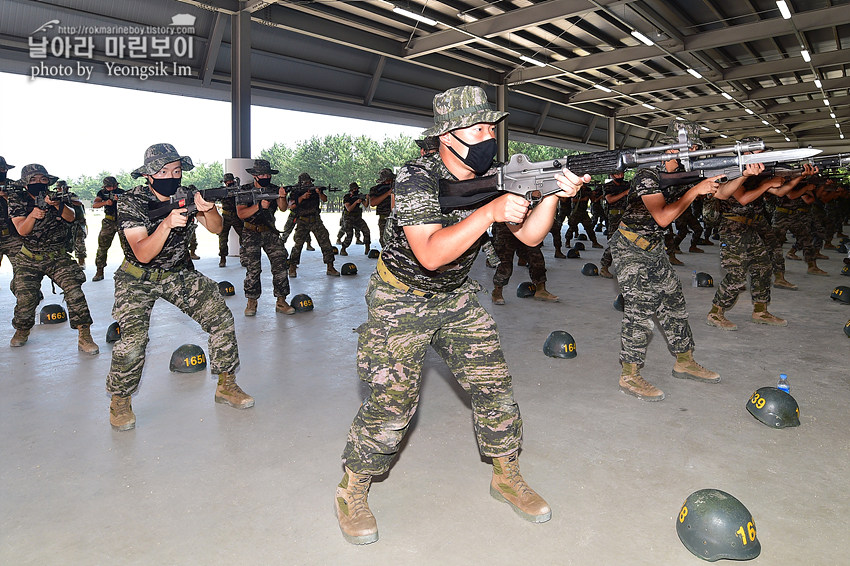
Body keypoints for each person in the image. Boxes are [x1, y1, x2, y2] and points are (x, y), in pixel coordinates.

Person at [334, 85, 588, 545]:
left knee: (495, 387)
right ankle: (352, 489)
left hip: (456, 298)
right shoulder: (415, 177)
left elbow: (530, 237)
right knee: (391, 407)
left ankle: (505, 475)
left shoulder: (495, 173)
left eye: (492, 127)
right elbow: (430, 254)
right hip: (400, 300)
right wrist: (489, 211)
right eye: (478, 128)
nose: (489, 136)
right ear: (447, 135)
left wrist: (553, 193)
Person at [106, 143, 253, 431]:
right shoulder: (131, 202)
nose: (171, 176)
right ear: (149, 175)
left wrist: (207, 209)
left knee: (221, 318)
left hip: (178, 273)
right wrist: (166, 224)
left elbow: (216, 228)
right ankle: (120, 400)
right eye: (163, 171)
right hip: (137, 277)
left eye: (176, 170)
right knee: (134, 341)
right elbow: (143, 254)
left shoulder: (186, 194)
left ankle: (226, 385)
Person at [610, 120, 723, 401]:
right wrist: (694, 192)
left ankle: (684, 361)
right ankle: (629, 374)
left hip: (654, 249)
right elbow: (662, 217)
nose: (695, 152)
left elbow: (724, 194)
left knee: (674, 301)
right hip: (629, 247)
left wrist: (740, 174)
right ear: (672, 148)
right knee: (640, 308)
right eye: (692, 147)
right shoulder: (646, 175)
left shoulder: (685, 173)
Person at [8, 164, 99, 354]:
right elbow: (22, 230)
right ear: (25, 183)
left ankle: (84, 335)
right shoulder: (18, 201)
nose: (38, 183)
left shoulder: (56, 197)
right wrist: (33, 215)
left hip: (56, 256)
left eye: (42, 179)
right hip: (29, 257)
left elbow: (71, 217)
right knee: (26, 298)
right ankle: (22, 330)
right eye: (33, 180)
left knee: (74, 291)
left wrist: (57, 205)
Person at [705, 138, 790, 330]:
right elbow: (742, 198)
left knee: (763, 267)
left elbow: (781, 192)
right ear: (745, 154)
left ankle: (760, 310)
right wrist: (766, 184)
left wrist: (798, 177)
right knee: (736, 274)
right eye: (758, 154)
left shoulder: (756, 175)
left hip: (750, 228)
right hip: (732, 229)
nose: (763, 158)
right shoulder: (730, 172)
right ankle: (716, 312)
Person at [236, 159, 295, 316]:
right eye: (262, 174)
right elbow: (241, 214)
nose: (265, 177)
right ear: (255, 176)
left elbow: (283, 209)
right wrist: (258, 206)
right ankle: (251, 302)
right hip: (250, 232)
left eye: (268, 174)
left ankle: (281, 301)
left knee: (280, 264)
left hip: (270, 231)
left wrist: (282, 197)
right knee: (253, 269)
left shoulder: (273, 189)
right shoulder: (245, 191)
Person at [491, 221, 559, 304]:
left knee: (536, 257)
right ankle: (497, 291)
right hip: (505, 225)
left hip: (525, 224)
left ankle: (541, 290)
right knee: (505, 262)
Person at [287, 172, 339, 277]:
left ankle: (330, 267)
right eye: (307, 182)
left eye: (310, 181)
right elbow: (291, 206)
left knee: (325, 242)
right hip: (302, 220)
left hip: (315, 220)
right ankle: (292, 267)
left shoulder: (315, 190)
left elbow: (325, 199)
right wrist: (302, 197)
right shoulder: (295, 191)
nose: (309, 183)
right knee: (298, 245)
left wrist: (319, 193)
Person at [91, 176, 125, 281]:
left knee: (128, 247)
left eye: (114, 186)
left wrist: (122, 200)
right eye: (109, 187)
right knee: (102, 247)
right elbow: (95, 205)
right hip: (108, 222)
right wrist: (106, 202)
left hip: (122, 221)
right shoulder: (101, 193)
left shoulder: (122, 192)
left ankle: (127, 270)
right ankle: (99, 271)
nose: (112, 188)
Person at [599, 171, 630, 278]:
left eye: (622, 174)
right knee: (613, 242)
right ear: (611, 175)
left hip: (627, 216)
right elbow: (610, 199)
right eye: (617, 174)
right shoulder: (608, 186)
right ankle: (604, 267)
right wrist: (625, 193)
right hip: (614, 218)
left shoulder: (627, 184)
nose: (620, 176)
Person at [55, 180, 87, 267]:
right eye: (58, 189)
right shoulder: (56, 196)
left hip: (78, 222)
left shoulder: (72, 195)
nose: (59, 190)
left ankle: (81, 261)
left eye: (61, 188)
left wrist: (68, 200)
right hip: (64, 223)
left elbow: (79, 202)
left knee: (79, 241)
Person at [0, 156, 22, 272]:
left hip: (13, 236)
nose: (1, 171)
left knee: (22, 272)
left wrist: (7, 197)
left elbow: (24, 207)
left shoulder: (15, 187)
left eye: (3, 168)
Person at [217, 173, 243, 267]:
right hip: (226, 217)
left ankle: (244, 257)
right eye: (228, 181)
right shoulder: (222, 191)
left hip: (237, 216)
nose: (230, 182)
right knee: (223, 238)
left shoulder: (238, 189)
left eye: (231, 181)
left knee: (244, 237)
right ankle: (222, 257)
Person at [339, 182, 371, 256]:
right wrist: (356, 202)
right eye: (354, 189)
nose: (356, 190)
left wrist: (367, 199)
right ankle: (343, 248)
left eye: (357, 188)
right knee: (349, 235)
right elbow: (349, 209)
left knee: (366, 231)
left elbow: (366, 205)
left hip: (357, 218)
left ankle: (367, 248)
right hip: (348, 218)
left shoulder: (359, 196)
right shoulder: (347, 197)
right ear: (351, 190)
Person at [368, 168, 395, 249]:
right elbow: (373, 203)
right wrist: (387, 193)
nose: (388, 182)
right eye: (386, 180)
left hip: (398, 217)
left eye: (390, 180)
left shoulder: (398, 185)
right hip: (384, 218)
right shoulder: (375, 189)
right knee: (384, 240)